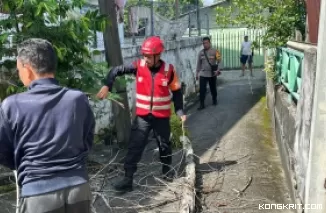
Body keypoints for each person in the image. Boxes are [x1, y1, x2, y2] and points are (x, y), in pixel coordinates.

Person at [0, 38, 95, 213]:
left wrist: (27, 167)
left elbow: (3, 152)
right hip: (78, 189)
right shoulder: (77, 99)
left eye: (19, 68)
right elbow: (87, 140)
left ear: (27, 69)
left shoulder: (12, 105)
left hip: (38, 194)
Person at [96, 36, 186, 192]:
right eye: (144, 55)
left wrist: (179, 110)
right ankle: (128, 179)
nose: (146, 59)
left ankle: (166, 171)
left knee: (164, 145)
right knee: (134, 147)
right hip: (143, 118)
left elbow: (177, 92)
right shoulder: (139, 66)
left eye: (149, 56)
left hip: (161, 118)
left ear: (158, 55)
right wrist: (107, 85)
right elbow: (116, 70)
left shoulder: (169, 71)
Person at [196, 37, 221, 110]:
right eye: (203, 43)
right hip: (203, 74)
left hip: (212, 74)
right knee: (202, 90)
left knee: (213, 88)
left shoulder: (215, 51)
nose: (205, 45)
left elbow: (220, 61)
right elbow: (198, 64)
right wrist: (197, 73)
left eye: (206, 43)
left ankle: (214, 99)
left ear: (209, 43)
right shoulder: (201, 53)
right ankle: (202, 104)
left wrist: (218, 70)